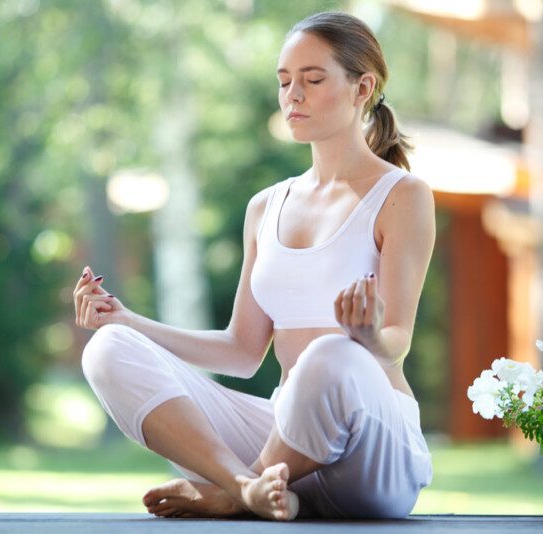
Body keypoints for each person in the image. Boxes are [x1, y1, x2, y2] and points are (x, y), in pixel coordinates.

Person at [73, 10, 435, 521]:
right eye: (285, 81)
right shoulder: (265, 207)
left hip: (373, 455)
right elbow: (243, 351)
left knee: (332, 353)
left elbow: (397, 339)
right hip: (285, 447)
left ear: (362, 88)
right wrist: (126, 320)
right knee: (108, 349)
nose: (293, 95)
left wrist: (369, 334)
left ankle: (230, 493)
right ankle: (248, 487)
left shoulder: (402, 196)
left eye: (312, 80)